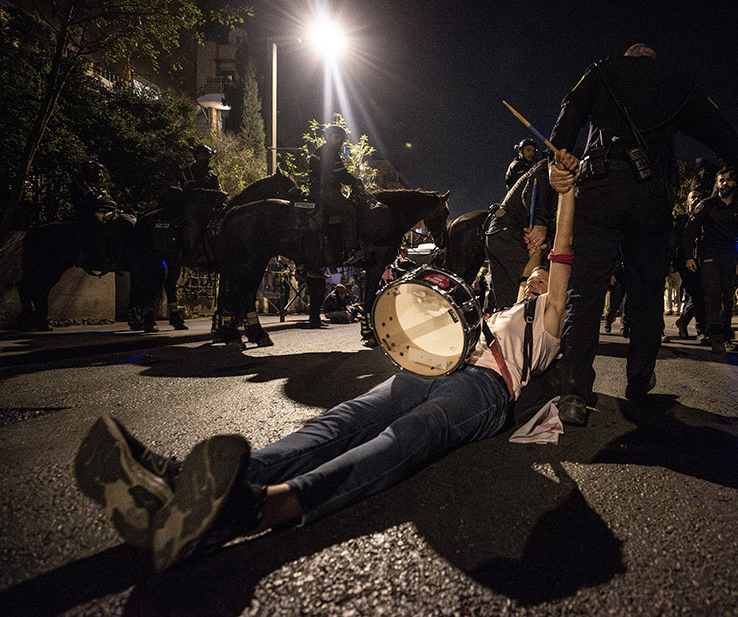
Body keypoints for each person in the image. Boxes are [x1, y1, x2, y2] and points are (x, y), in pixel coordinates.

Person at [72, 161, 577, 572]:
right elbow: (532, 268)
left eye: (541, 281)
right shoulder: (509, 303)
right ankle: (180, 484)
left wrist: (566, 197)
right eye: (531, 279)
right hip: (437, 364)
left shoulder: (548, 317)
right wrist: (529, 256)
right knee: (341, 420)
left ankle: (263, 505)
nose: (534, 283)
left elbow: (559, 258)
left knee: (405, 436)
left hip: (487, 388)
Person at [547, 43, 738, 424]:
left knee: (585, 292)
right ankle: (639, 380)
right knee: (646, 290)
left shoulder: (602, 70)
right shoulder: (676, 82)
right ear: (651, 59)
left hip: (601, 191)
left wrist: (557, 160)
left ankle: (574, 390)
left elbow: (567, 116)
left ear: (630, 56)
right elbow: (718, 130)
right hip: (650, 195)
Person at [683, 168, 738, 353]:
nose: (725, 183)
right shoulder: (706, 205)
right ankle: (716, 336)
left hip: (730, 256)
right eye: (721, 180)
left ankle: (726, 336)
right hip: (710, 255)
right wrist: (689, 256)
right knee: (713, 294)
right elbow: (690, 230)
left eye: (729, 180)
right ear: (716, 184)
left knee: (728, 296)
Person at [485, 158, 555, 309]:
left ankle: (505, 327)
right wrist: (540, 223)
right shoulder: (545, 168)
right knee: (526, 286)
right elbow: (530, 192)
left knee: (507, 301)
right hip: (508, 233)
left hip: (498, 233)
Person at [308, 125, 372, 266]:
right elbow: (341, 174)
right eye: (336, 137)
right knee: (350, 209)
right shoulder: (328, 153)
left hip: (323, 191)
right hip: (326, 192)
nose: (339, 141)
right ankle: (353, 249)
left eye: (340, 138)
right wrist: (356, 181)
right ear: (329, 138)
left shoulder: (324, 151)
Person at [674, 188, 706, 341]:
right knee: (696, 293)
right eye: (693, 197)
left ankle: (683, 321)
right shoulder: (681, 220)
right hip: (685, 263)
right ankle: (701, 330)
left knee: (701, 294)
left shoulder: (705, 218)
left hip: (703, 260)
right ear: (687, 201)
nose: (697, 200)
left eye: (699, 197)